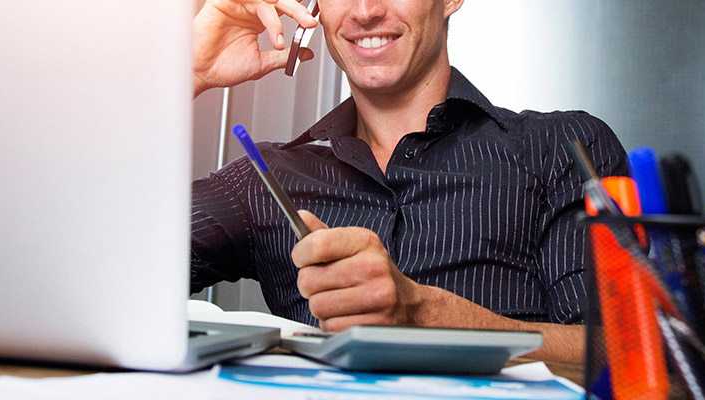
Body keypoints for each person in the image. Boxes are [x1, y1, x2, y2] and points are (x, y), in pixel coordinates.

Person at [188, 0, 627, 363]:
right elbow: (121, 275)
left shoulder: (562, 149)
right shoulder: (264, 178)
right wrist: (190, 74)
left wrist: (427, 314)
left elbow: (630, 355)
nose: (365, 11)